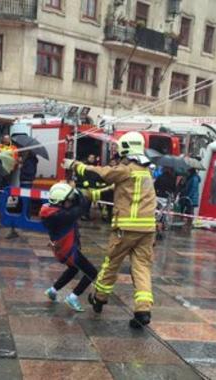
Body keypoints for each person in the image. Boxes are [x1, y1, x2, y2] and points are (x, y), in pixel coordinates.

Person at [64, 131, 156, 329]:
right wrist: (93, 194)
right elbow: (116, 187)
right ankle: (143, 310)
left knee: (111, 263)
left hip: (126, 227)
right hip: (147, 229)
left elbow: (104, 174)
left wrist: (76, 166)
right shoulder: (145, 170)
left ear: (125, 148)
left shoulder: (126, 168)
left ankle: (98, 298)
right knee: (141, 268)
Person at [40, 182, 99, 312]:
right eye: (69, 200)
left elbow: (74, 206)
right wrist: (79, 191)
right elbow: (82, 207)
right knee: (92, 272)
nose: (71, 202)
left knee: (73, 269)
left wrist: (73, 191)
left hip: (62, 250)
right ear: (60, 202)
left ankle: (53, 290)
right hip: (69, 250)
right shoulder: (62, 216)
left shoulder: (50, 210)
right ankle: (73, 297)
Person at [75, 154, 102, 220]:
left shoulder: (95, 166)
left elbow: (96, 176)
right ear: (88, 158)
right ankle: (83, 215)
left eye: (93, 158)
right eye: (90, 157)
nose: (92, 159)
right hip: (84, 187)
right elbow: (80, 175)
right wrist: (85, 183)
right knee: (85, 202)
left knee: (89, 202)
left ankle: (86, 214)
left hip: (92, 186)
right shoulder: (84, 166)